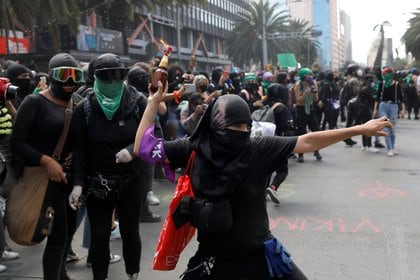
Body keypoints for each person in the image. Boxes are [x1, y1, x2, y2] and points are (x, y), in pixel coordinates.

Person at [133, 83, 391, 280]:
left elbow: (308, 141)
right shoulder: (192, 148)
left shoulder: (258, 148)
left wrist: (359, 129)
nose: (242, 134)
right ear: (215, 126)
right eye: (235, 128)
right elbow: (144, 148)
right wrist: (152, 102)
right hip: (213, 260)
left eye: (247, 127)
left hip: (258, 252)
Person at [68, 53, 157, 280]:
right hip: (98, 181)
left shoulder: (138, 103)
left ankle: (133, 273)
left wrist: (132, 150)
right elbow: (80, 150)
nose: (113, 82)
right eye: (106, 77)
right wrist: (77, 185)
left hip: (131, 179)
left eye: (118, 75)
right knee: (99, 234)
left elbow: (154, 136)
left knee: (130, 231)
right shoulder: (85, 109)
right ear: (95, 78)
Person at [10, 53, 83, 280]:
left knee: (68, 233)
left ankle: (61, 274)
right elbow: (17, 142)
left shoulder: (79, 103)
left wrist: (79, 181)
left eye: (76, 76)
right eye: (64, 75)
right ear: (52, 76)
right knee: (57, 236)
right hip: (42, 178)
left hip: (67, 179)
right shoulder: (35, 103)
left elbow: (82, 146)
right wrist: (46, 160)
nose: (70, 82)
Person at [373, 67, 405, 157]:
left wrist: (403, 109)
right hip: (383, 106)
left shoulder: (396, 85)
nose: (385, 75)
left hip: (393, 106)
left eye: (386, 73)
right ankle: (390, 149)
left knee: (392, 129)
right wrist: (375, 109)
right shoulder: (381, 84)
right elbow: (378, 97)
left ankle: (392, 147)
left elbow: (401, 98)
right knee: (386, 127)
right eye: (384, 74)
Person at [293, 68, 322, 163]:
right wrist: (305, 93)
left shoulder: (314, 83)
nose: (310, 77)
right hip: (301, 109)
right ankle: (300, 154)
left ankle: (316, 151)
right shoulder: (298, 85)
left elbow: (316, 99)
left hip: (310, 108)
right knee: (301, 131)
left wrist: (314, 93)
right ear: (303, 76)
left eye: (311, 75)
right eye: (308, 75)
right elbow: (298, 100)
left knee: (316, 130)